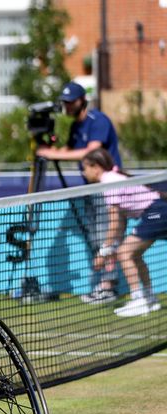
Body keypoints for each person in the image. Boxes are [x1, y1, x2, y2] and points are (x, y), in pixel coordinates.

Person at [35, 81, 123, 304]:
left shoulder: (98, 121)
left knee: (106, 236)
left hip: (107, 189)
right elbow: (70, 150)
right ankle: (103, 284)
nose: (67, 106)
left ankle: (109, 286)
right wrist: (49, 150)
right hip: (90, 190)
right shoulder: (76, 126)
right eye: (64, 102)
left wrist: (52, 154)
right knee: (95, 237)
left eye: (70, 101)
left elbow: (92, 152)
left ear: (82, 100)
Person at [81, 148, 164, 317]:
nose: (84, 172)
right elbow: (120, 224)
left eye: (85, 168)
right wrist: (110, 248)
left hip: (157, 212)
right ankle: (149, 298)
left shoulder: (109, 182)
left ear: (96, 167)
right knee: (134, 254)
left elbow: (114, 223)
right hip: (160, 211)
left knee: (125, 253)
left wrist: (103, 251)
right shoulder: (113, 179)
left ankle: (138, 300)